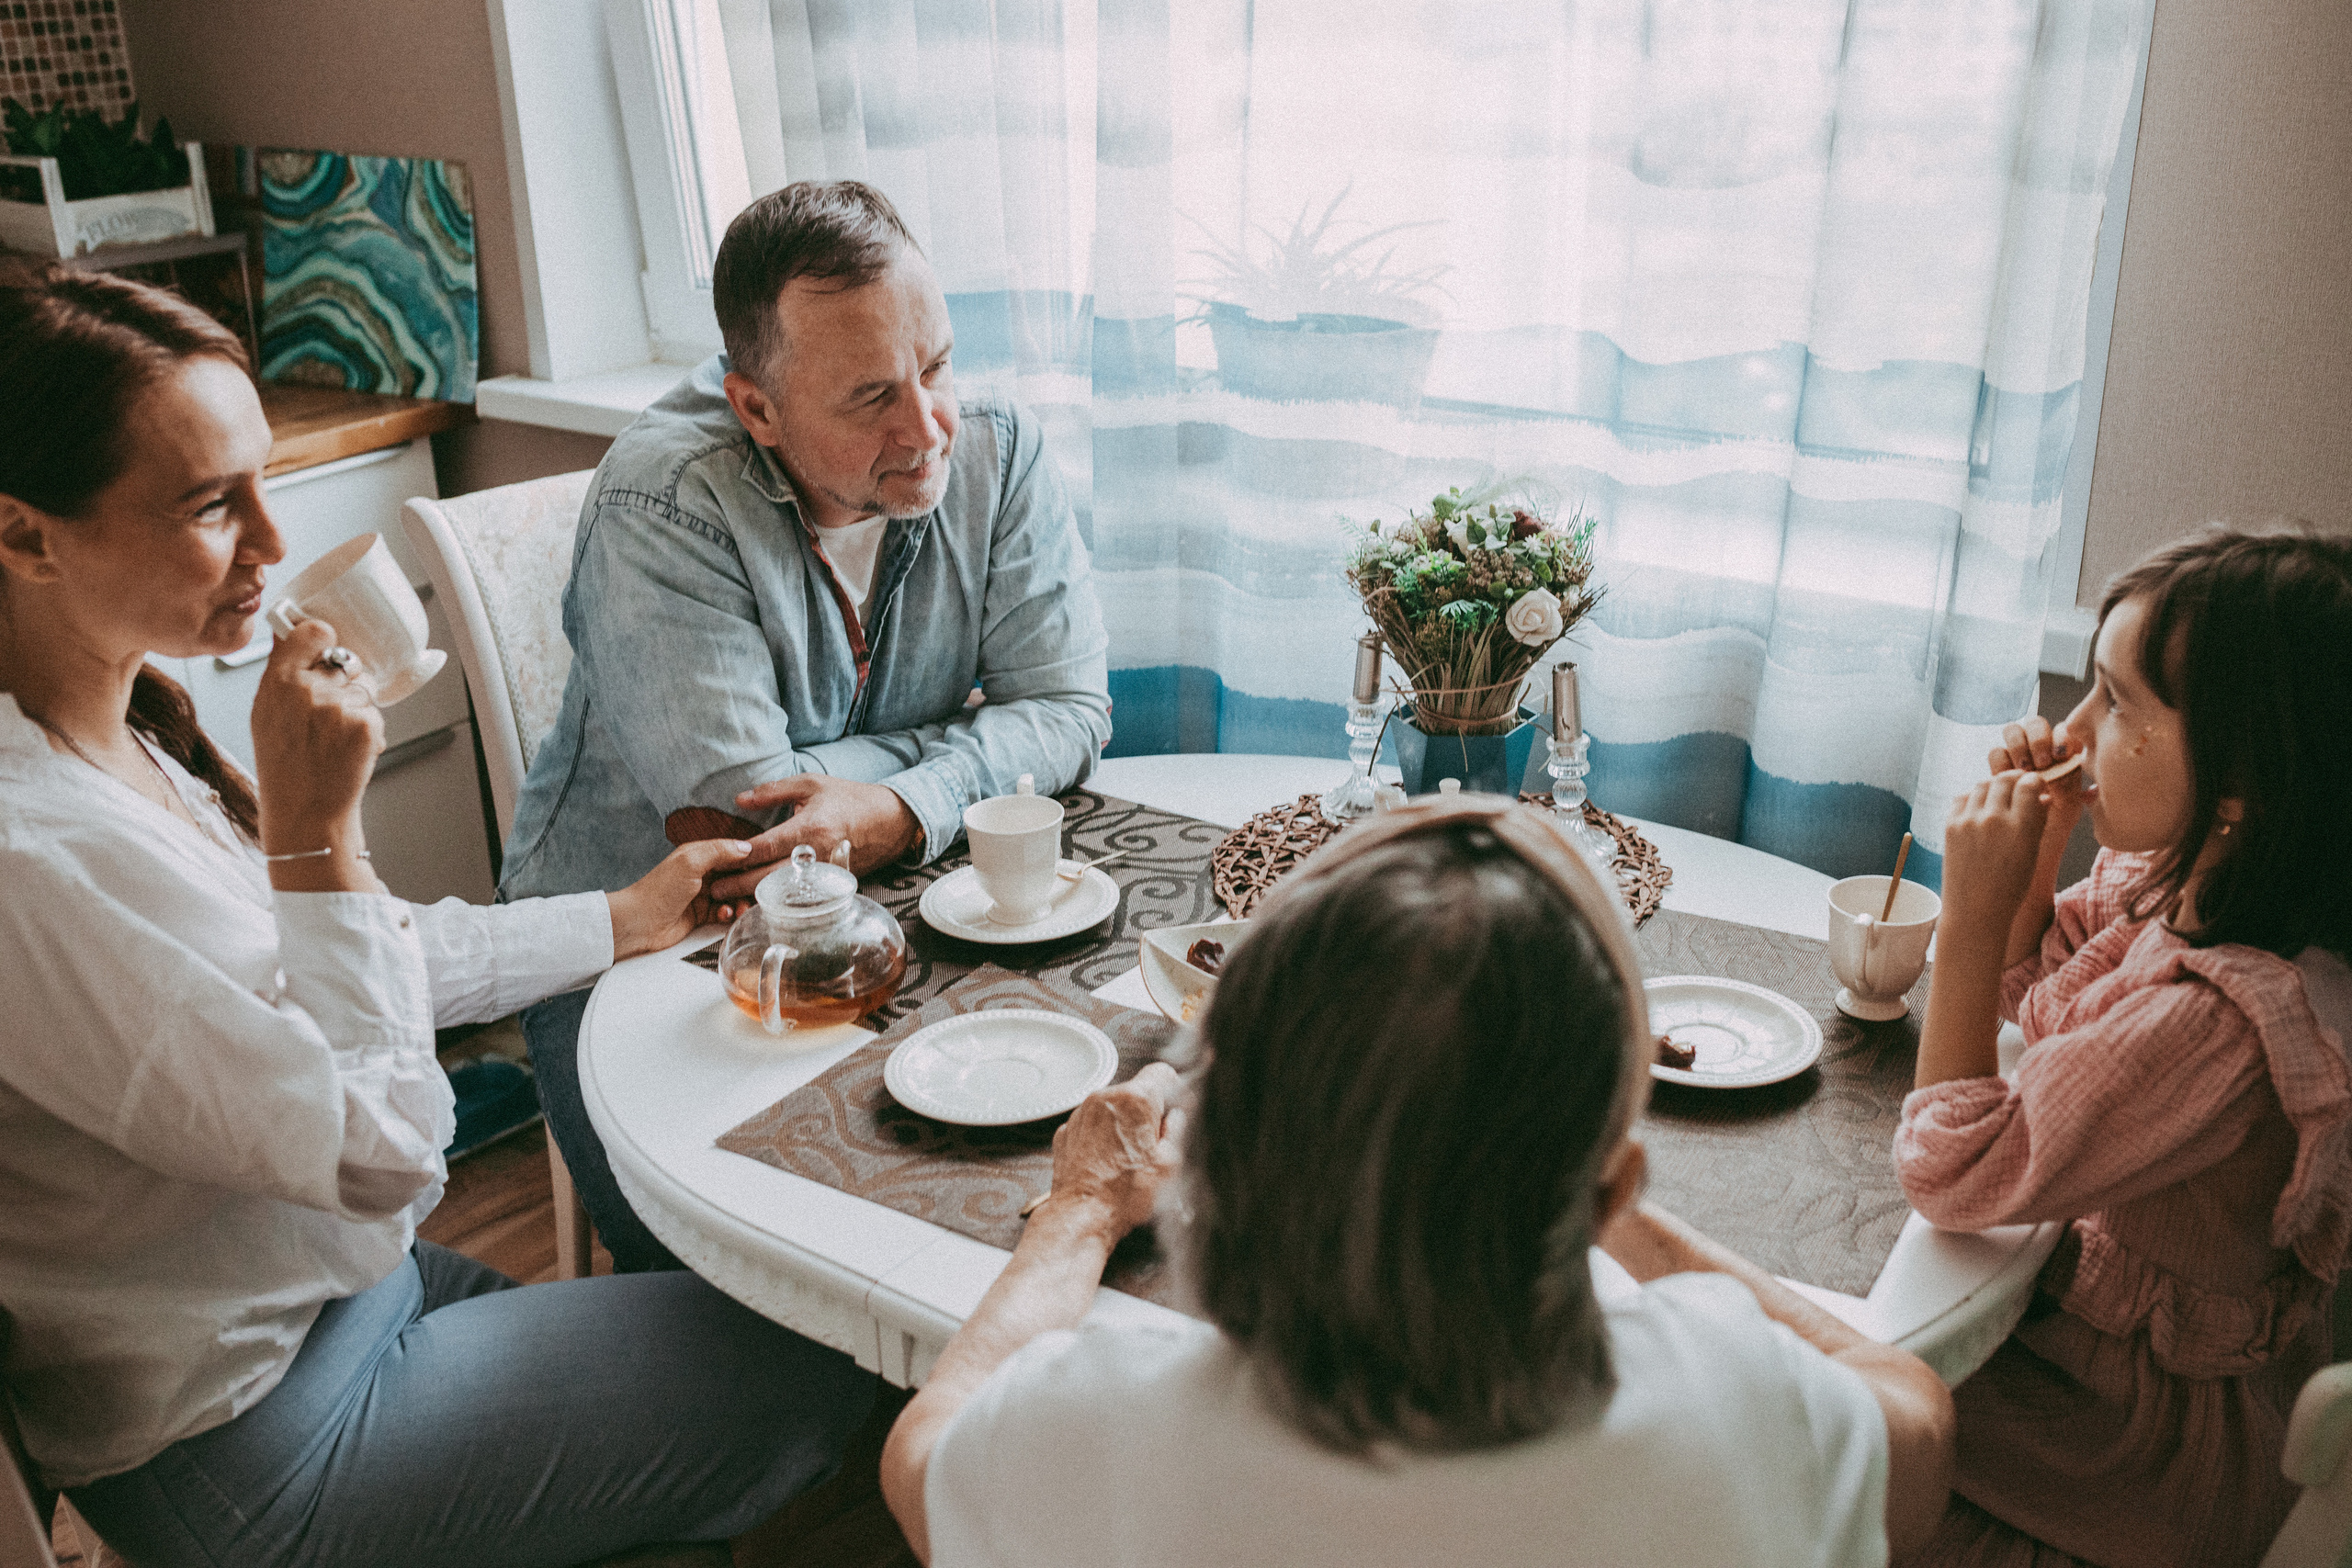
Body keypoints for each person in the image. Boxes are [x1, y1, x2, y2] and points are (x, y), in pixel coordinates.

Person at [0, 261, 876, 1568]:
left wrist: (623, 916)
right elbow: (390, 1158)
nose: (272, 544)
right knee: (840, 1354)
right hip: (254, 1441)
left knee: (762, 1340)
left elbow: (359, 963)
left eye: (262, 481)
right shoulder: (35, 861)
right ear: (26, 535)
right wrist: (316, 836)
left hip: (354, 1301)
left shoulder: (110, 733)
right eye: (210, 503)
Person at [877, 796, 1958, 1567]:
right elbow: (1914, 1414)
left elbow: (921, 1452)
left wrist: (1081, 1208)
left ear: (1223, 1161)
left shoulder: (1098, 1431)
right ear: (1605, 1190)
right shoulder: (1740, 1405)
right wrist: (1582, 1190)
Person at [499, 179, 1111, 1272]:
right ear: (757, 409)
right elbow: (752, 835)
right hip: (636, 952)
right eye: (871, 397)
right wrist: (966, 737)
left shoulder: (998, 448)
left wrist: (894, 803)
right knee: (737, 1277)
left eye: (936, 367)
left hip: (895, 901)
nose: (927, 429)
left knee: (1027, 1194)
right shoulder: (664, 500)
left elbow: (1068, 707)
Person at [1895, 525, 2352, 1567]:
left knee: (1796, 1425)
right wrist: (2042, 849)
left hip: (2116, 1462)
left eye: (2113, 700)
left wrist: (1966, 918)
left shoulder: (2218, 1025)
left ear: (2240, 783)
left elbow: (1952, 1168)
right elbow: (2033, 999)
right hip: (2068, 1356)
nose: (2072, 727)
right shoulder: (2188, 883)